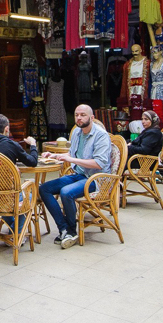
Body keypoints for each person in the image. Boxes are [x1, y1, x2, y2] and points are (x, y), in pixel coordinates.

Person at [38, 105, 113, 249]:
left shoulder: (101, 135)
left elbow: (98, 163)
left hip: (95, 179)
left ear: (92, 118)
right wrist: (56, 156)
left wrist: (71, 160)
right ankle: (64, 228)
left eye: (83, 115)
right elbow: (73, 155)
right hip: (79, 174)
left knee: (66, 192)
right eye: (76, 114)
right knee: (45, 189)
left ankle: (71, 231)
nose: (79, 118)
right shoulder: (77, 133)